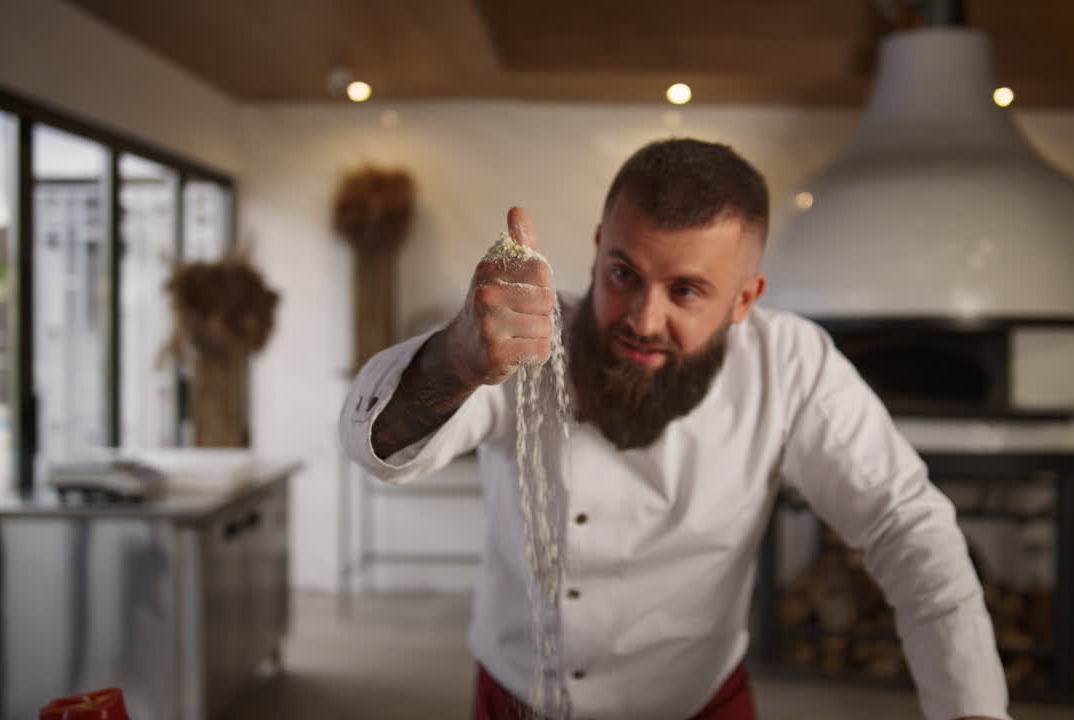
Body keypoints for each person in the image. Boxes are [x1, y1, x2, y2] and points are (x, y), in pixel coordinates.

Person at [339, 138, 1009, 720]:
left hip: (695, 704)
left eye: (685, 290)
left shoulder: (794, 365)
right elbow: (374, 446)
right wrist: (456, 360)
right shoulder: (527, 340)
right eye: (623, 274)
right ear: (599, 248)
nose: (642, 318)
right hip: (518, 698)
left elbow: (902, 522)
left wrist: (971, 707)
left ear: (745, 299)